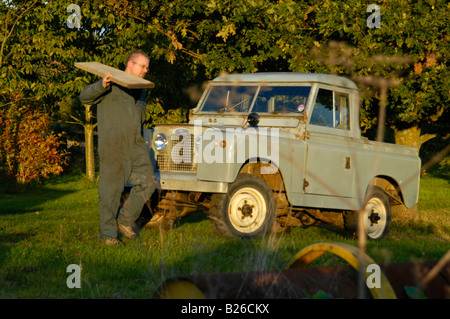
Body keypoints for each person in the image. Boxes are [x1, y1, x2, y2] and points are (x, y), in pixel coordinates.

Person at [79, 51, 156, 245]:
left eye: (147, 67)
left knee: (148, 183)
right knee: (110, 192)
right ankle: (107, 235)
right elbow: (84, 97)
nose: (146, 70)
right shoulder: (109, 83)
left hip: (136, 145)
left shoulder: (141, 90)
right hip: (113, 145)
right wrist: (101, 85)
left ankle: (123, 221)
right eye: (143, 66)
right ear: (130, 64)